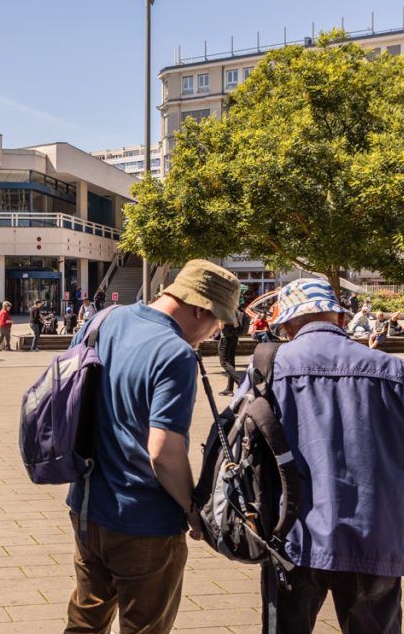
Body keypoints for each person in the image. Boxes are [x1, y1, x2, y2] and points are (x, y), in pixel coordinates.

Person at [64, 259, 239, 634]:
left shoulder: (102, 321)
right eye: (218, 321)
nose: (216, 332)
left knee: (84, 623)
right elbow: (163, 452)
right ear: (199, 308)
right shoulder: (175, 353)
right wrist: (191, 508)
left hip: (87, 508)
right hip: (145, 522)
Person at [244, 279, 404, 634]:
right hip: (375, 535)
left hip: (292, 534)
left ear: (287, 326)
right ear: (341, 319)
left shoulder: (269, 369)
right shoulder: (389, 369)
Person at [217, 306, 247, 396]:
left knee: (224, 363)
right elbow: (236, 324)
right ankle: (229, 389)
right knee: (231, 362)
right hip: (234, 337)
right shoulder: (234, 310)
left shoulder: (224, 310)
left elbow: (221, 325)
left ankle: (242, 382)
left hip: (225, 338)